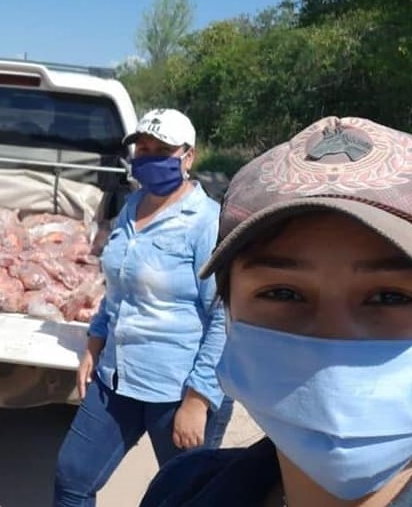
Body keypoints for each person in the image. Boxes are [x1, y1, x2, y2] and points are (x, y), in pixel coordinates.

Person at [139, 116, 412, 507]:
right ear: (230, 314)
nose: (331, 344)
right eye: (284, 293)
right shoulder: (181, 490)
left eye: (391, 297)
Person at [53, 109, 234, 506]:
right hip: (117, 379)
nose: (149, 157)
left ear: (188, 157)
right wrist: (95, 342)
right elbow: (117, 287)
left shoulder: (206, 223)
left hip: (178, 388)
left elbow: (225, 316)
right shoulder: (132, 207)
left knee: (184, 497)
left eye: (161, 150)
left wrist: (198, 400)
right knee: (72, 477)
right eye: (143, 148)